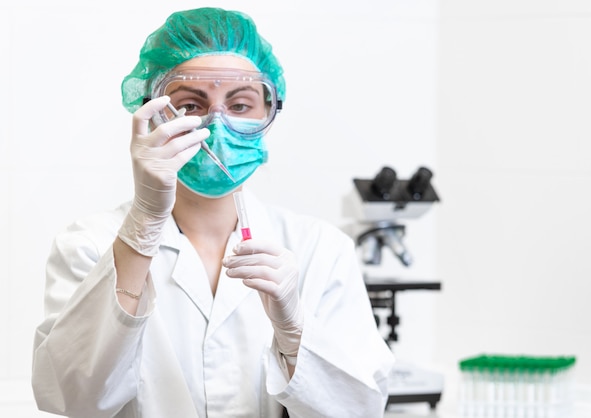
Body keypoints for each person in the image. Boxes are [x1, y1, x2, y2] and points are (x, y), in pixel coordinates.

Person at [31, 7, 394, 418]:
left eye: (240, 105)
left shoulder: (320, 250)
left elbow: (361, 408)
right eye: (190, 105)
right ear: (153, 115)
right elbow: (72, 397)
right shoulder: (89, 244)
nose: (216, 125)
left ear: (267, 116)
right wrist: (141, 231)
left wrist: (296, 333)